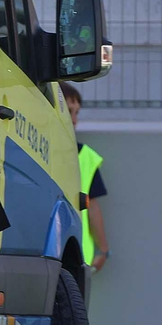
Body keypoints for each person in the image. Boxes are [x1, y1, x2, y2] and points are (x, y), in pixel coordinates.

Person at [61, 82, 108, 291]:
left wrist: (103, 250)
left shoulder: (86, 157)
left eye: (77, 113)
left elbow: (93, 207)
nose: (74, 120)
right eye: (69, 111)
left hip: (76, 257)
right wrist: (104, 251)